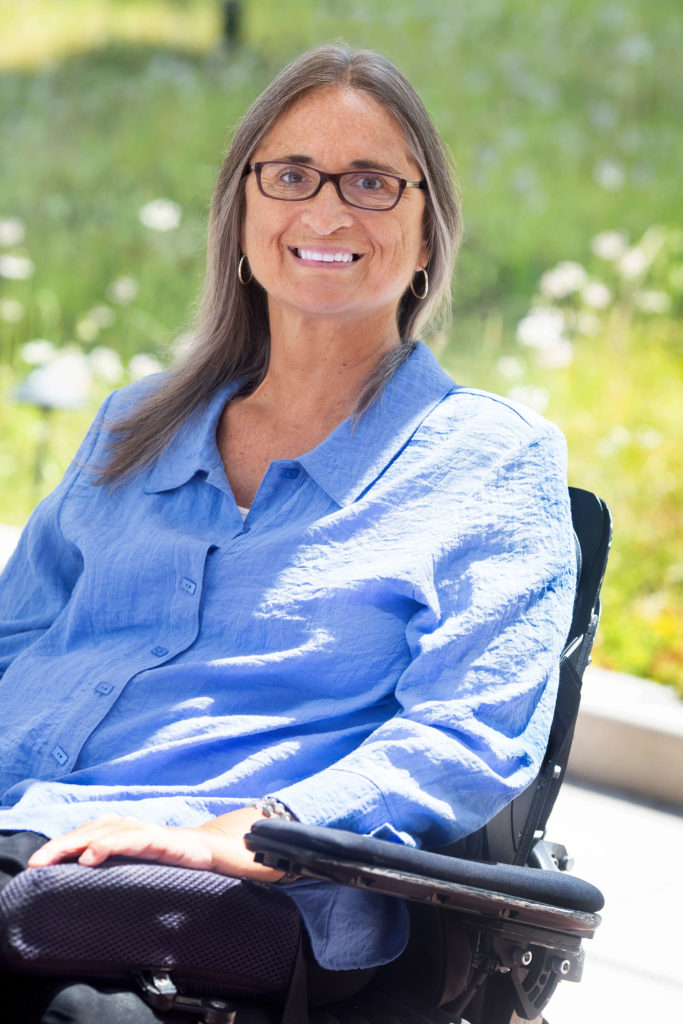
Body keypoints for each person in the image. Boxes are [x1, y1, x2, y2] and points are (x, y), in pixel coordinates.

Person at [0, 43, 576, 1022]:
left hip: (240, 886)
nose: (324, 210)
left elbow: (468, 731)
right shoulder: (132, 429)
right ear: (243, 215)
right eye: (291, 175)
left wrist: (262, 826)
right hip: (29, 831)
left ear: (427, 233)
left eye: (370, 181)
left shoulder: (485, 460)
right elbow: (17, 641)